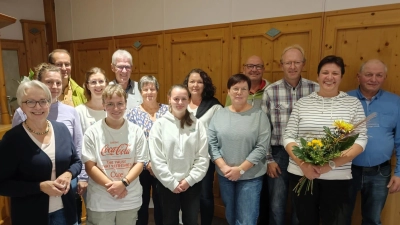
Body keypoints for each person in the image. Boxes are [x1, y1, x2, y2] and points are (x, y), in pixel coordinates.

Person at [283, 55, 368, 225]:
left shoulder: (353, 104)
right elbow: (289, 137)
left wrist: (330, 165)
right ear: (317, 76)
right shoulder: (302, 103)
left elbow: (361, 141)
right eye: (325, 72)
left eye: (335, 73)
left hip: (338, 177)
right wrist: (304, 165)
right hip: (302, 174)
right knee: (305, 220)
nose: (330, 77)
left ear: (341, 77)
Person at [12, 63, 86, 224]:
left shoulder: (69, 114)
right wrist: (38, 186)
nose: (54, 87)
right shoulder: (20, 115)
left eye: (58, 82)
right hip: (32, 205)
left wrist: (74, 175)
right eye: (49, 82)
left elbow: (77, 150)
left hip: (64, 192)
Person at [262, 45, 319, 225]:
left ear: (304, 64)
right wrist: (268, 159)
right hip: (278, 155)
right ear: (281, 65)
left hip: (306, 155)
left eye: (296, 62)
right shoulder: (271, 91)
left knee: (300, 203)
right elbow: (264, 128)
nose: (292, 66)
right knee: (276, 203)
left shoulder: (316, 89)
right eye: (288, 63)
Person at [209, 74, 271, 225]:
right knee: (230, 214)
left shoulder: (259, 115)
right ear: (228, 91)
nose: (239, 92)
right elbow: (211, 143)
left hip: (251, 176)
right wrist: (224, 167)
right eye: (235, 88)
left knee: (247, 218)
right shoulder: (219, 114)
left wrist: (241, 170)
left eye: (243, 89)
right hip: (225, 175)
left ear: (249, 91)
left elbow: (262, 147)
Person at [82, 84, 148, 225]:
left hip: (129, 197)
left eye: (120, 103)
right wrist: (112, 187)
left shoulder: (136, 131)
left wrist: (123, 183)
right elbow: (89, 166)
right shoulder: (92, 132)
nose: (116, 108)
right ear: (104, 105)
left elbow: (140, 163)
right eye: (110, 104)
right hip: (101, 199)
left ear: (126, 105)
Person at [346, 59, 400, 225]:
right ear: (358, 77)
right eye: (368, 74)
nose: (373, 79)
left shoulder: (395, 102)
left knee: (373, 219)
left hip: (379, 172)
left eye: (379, 75)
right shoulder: (344, 99)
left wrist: (399, 173)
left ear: (385, 78)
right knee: (340, 217)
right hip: (346, 170)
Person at [149, 84, 209, 225]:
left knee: (191, 220)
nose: (180, 102)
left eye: (183, 99)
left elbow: (203, 157)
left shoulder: (198, 124)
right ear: (169, 99)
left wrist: (189, 180)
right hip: (167, 183)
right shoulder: (159, 125)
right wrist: (171, 182)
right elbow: (156, 159)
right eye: (176, 99)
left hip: (191, 183)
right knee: (169, 221)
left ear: (188, 100)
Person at [126, 75, 168, 225]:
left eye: (152, 89)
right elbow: (132, 142)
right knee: (141, 204)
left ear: (157, 90)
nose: (149, 92)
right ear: (140, 92)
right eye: (145, 89)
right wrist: (147, 164)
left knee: (162, 204)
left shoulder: (167, 111)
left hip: (164, 166)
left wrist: (157, 163)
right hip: (140, 167)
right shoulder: (132, 114)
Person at [182, 68, 222, 225]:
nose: (195, 85)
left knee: (205, 194)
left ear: (205, 85)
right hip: (182, 158)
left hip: (205, 157)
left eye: (199, 81)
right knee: (185, 192)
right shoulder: (181, 102)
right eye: (192, 81)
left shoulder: (214, 106)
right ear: (187, 84)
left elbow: (219, 134)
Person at [76, 67, 108, 133]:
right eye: (93, 82)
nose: (98, 85)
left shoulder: (114, 109)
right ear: (88, 86)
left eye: (101, 81)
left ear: (106, 84)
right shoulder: (79, 111)